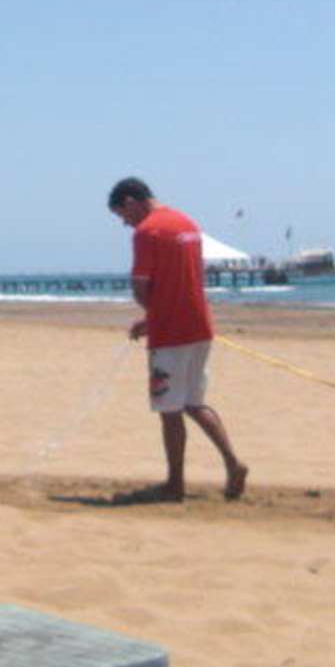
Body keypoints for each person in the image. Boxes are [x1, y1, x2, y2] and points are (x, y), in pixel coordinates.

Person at [106, 177, 248, 502]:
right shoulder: (188, 223)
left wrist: (154, 318)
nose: (126, 224)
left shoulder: (148, 231)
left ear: (131, 202)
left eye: (122, 216)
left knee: (169, 409)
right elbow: (181, 283)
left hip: (172, 334)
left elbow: (142, 288)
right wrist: (153, 319)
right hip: (200, 326)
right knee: (194, 403)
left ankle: (175, 483)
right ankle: (233, 462)